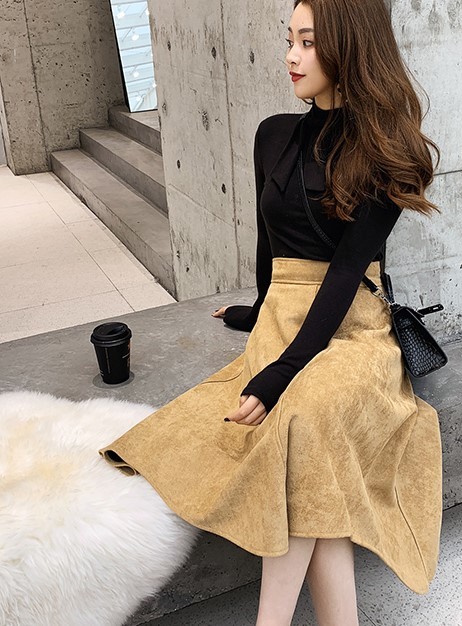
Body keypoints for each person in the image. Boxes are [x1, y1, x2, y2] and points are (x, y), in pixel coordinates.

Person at [100, 1, 443, 625]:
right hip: (285, 316)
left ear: (349, 47)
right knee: (312, 459)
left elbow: (346, 272)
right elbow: (269, 242)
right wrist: (259, 311)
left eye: (307, 42)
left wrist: (282, 371)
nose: (291, 56)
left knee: (302, 418)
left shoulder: (387, 151)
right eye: (290, 40)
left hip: (353, 325)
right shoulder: (272, 134)